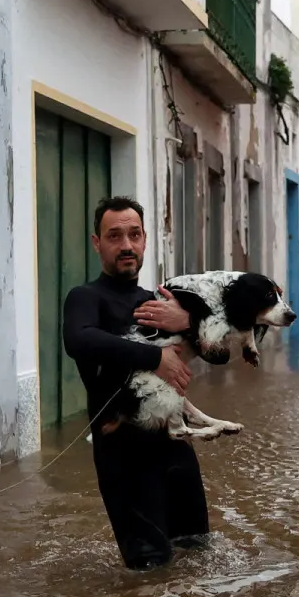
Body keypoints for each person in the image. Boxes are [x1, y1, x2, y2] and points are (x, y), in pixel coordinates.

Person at [63, 196, 210, 570]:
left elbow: (220, 352)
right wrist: (154, 357)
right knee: (149, 569)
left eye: (134, 234)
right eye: (114, 236)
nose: (126, 245)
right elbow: (78, 340)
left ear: (145, 240)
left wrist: (186, 323)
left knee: (198, 556)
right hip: (123, 456)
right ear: (97, 243)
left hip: (176, 451)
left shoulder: (160, 303)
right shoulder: (86, 298)